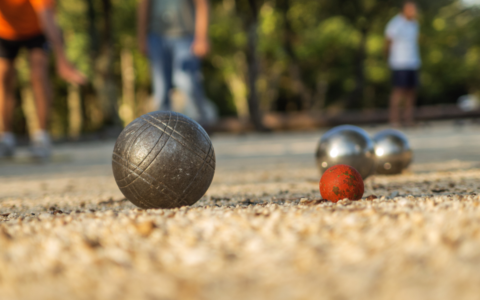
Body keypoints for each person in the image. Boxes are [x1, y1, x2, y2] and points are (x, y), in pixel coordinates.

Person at [0, 0, 86, 159]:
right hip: (4, 31)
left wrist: (62, 60)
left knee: (38, 74)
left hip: (37, 30)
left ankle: (41, 138)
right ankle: (6, 139)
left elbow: (47, 17)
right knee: (3, 77)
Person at [137, 0, 210, 125]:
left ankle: (202, 126)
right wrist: (141, 37)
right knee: (161, 89)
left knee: (187, 82)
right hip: (156, 36)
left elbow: (202, 4)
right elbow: (144, 5)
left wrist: (202, 37)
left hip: (185, 37)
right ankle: (163, 131)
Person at [385, 1, 421, 127]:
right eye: (410, 9)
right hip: (399, 62)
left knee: (411, 92)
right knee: (398, 91)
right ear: (404, 10)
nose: (413, 12)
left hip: (412, 62)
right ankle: (394, 120)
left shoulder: (414, 24)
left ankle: (408, 119)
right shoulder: (395, 24)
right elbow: (388, 42)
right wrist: (388, 58)